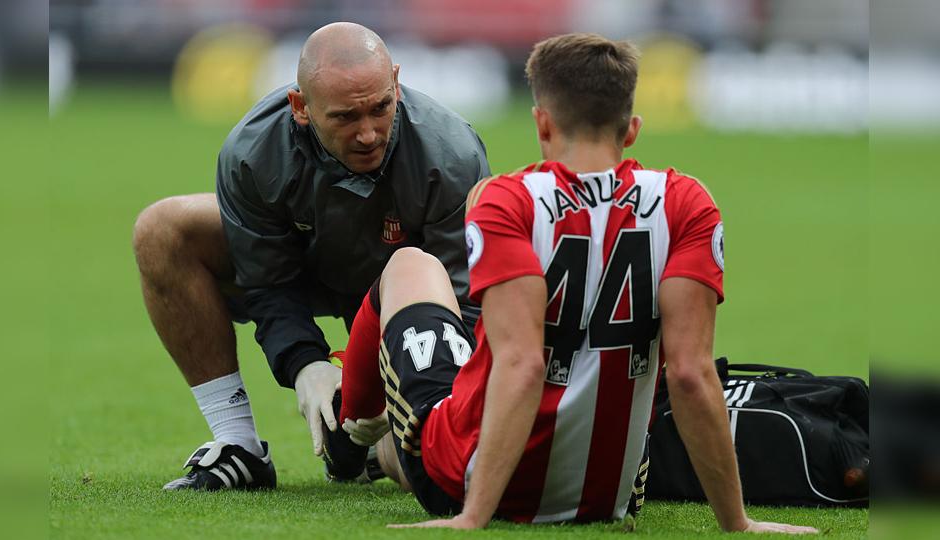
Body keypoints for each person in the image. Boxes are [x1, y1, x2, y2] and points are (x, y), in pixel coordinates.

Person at [331, 33, 818, 533]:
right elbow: (691, 374)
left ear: (542, 121)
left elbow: (520, 364)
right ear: (631, 129)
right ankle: (380, 444)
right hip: (611, 494)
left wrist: (472, 517)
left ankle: (350, 432)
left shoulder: (507, 200)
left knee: (409, 266)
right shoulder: (686, 203)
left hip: (467, 477)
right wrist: (737, 522)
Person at [131, 22, 490, 490]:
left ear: (396, 83)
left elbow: (461, 307)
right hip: (304, 267)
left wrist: (387, 397)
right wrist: (306, 365)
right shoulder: (252, 153)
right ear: (300, 107)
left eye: (381, 108)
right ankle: (239, 444)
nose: (368, 134)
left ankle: (382, 450)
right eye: (345, 117)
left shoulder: (451, 155)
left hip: (403, 288)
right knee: (162, 230)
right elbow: (266, 281)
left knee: (427, 468)